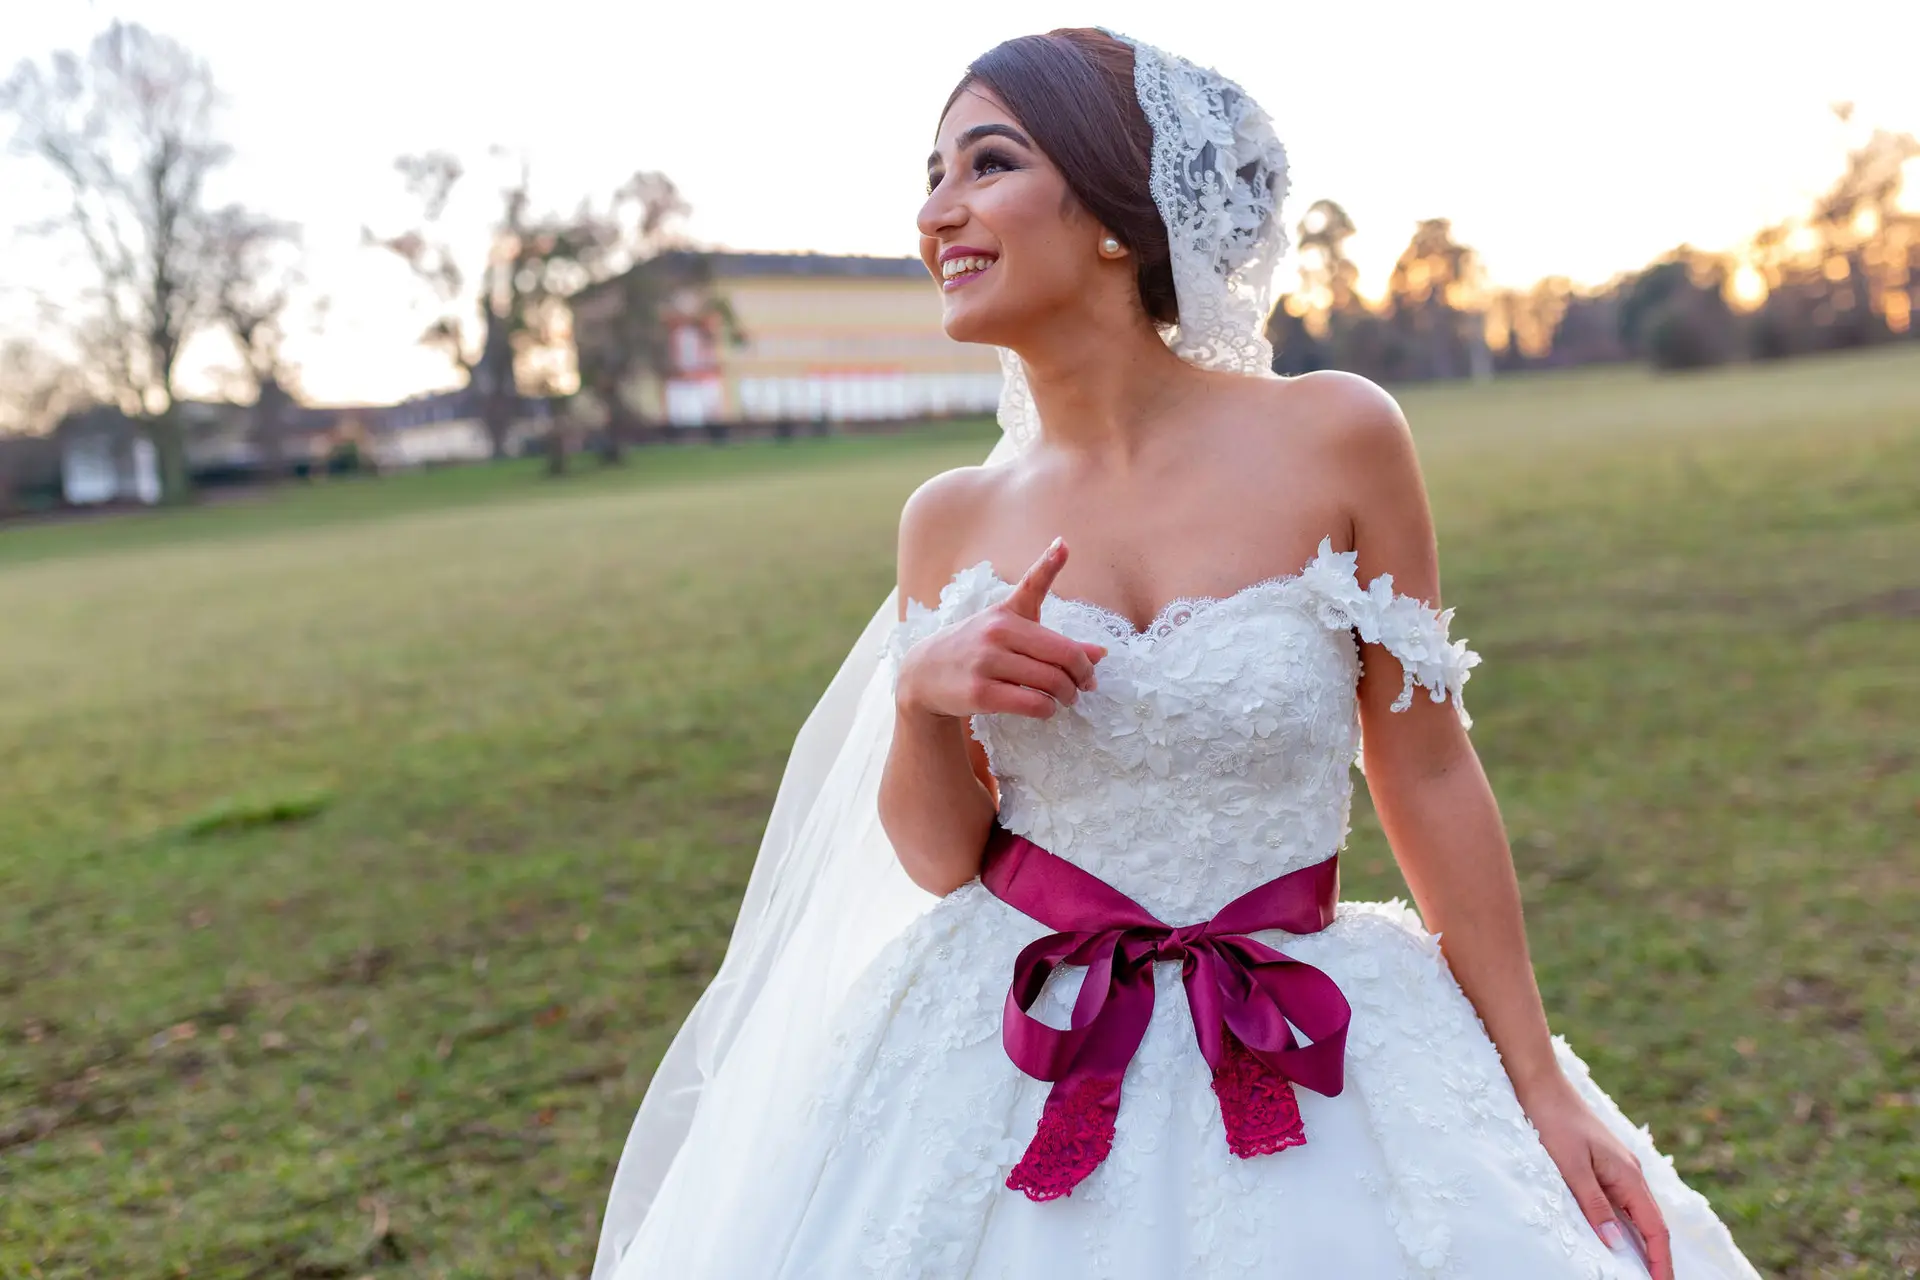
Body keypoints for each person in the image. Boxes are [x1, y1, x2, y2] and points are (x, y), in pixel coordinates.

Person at [593, 28, 1763, 1280]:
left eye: (984, 165)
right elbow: (944, 859)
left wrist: (1537, 1078)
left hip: (1304, 1013)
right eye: (929, 177)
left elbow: (1424, 770)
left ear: (1115, 214)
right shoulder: (946, 519)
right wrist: (923, 699)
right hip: (1012, 1030)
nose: (937, 213)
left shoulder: (1337, 436)